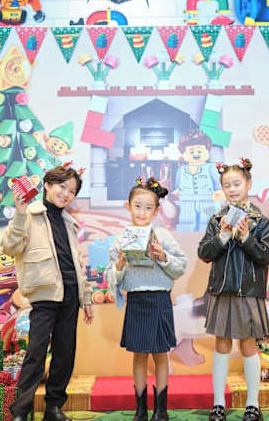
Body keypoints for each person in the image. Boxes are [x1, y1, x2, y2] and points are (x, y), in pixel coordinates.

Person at [1, 164, 95, 421]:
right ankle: (21, 411)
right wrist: (19, 214)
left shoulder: (69, 222)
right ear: (47, 185)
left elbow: (77, 263)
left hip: (71, 294)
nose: (66, 194)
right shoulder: (29, 214)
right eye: (62, 187)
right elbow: (10, 247)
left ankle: (54, 408)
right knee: (36, 353)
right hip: (45, 295)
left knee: (64, 354)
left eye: (72, 191)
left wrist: (86, 298)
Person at [197, 159, 269, 421]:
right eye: (227, 185)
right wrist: (222, 235)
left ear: (248, 184)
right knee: (221, 344)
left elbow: (267, 257)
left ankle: (253, 405)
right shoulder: (216, 220)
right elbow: (204, 253)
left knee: (248, 345)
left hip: (249, 292)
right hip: (222, 290)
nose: (232, 189)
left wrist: (245, 238)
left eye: (237, 184)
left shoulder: (261, 222)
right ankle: (218, 404)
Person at [106, 177, 187, 421]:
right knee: (139, 354)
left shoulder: (163, 236)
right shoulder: (121, 238)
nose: (142, 212)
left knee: (161, 354)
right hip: (137, 301)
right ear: (128, 206)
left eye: (148, 207)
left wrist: (163, 256)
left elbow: (180, 266)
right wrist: (120, 265)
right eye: (137, 206)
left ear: (157, 210)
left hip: (160, 300)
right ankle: (140, 409)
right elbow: (111, 275)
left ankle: (161, 410)